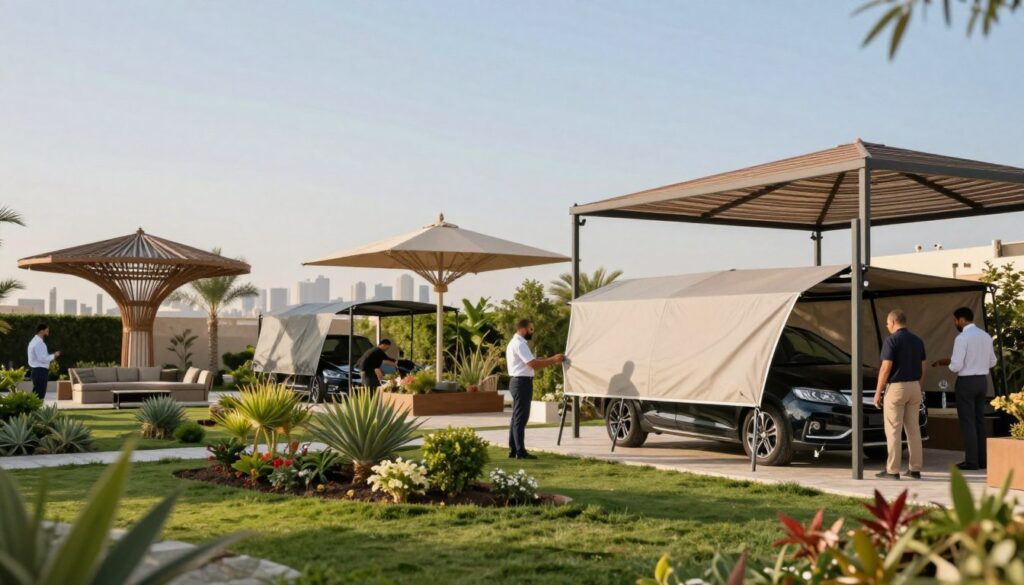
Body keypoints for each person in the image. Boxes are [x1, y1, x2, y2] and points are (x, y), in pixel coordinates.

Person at [931, 307, 997, 470]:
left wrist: (952, 364)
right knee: (979, 421)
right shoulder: (985, 336)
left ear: (961, 319)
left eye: (955, 320)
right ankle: (983, 460)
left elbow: (956, 366)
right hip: (982, 381)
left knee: (968, 422)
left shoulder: (962, 338)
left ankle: (971, 461)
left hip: (966, 382)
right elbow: (992, 362)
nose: (955, 323)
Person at [873, 310, 926, 480]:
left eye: (888, 323)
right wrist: (918, 386)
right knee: (913, 429)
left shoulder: (892, 340)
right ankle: (915, 468)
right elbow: (923, 366)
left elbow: (886, 367)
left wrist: (878, 392)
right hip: (915, 387)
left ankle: (892, 470)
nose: (887, 326)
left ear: (893, 322)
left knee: (893, 430)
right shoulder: (917, 340)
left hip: (896, 388)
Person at [505, 319, 564, 460]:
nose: (533, 332)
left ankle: (514, 449)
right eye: (531, 329)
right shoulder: (520, 344)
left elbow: (529, 361)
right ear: (524, 329)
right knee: (521, 417)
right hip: (522, 383)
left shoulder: (515, 342)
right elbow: (533, 364)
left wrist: (545, 358)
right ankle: (520, 451)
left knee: (516, 417)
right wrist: (554, 360)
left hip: (517, 382)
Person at [27, 323, 59, 400]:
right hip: (40, 371)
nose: (48, 331)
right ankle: (35, 411)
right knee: (39, 394)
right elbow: (42, 358)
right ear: (41, 331)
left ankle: (33, 411)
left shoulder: (35, 341)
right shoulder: (38, 343)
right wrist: (54, 356)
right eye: (46, 330)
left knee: (37, 393)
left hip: (37, 371)